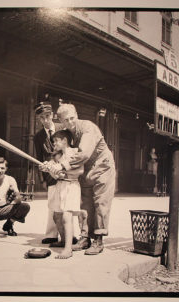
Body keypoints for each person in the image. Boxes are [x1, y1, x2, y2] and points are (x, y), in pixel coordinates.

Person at [49, 103, 116, 255]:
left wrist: (63, 165)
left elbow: (84, 153)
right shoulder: (67, 134)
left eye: (72, 118)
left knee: (100, 202)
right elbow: (59, 150)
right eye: (66, 120)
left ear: (76, 115)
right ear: (61, 121)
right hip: (84, 170)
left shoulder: (88, 128)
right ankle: (85, 238)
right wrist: (52, 164)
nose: (70, 122)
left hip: (103, 167)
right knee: (84, 204)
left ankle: (98, 240)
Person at [40, 130, 87, 259]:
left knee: (67, 217)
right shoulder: (58, 156)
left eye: (56, 141)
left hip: (71, 186)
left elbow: (80, 170)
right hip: (59, 186)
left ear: (65, 141)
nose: (54, 143)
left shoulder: (75, 152)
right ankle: (64, 240)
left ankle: (68, 249)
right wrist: (48, 168)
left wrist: (63, 173)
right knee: (57, 217)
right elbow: (56, 174)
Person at [33, 101, 62, 244]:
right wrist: (43, 177)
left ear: (52, 115)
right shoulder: (38, 137)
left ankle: (69, 235)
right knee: (52, 203)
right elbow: (39, 158)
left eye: (47, 116)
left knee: (66, 204)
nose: (45, 120)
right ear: (38, 119)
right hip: (50, 175)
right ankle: (51, 234)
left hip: (65, 172)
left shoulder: (63, 129)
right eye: (41, 118)